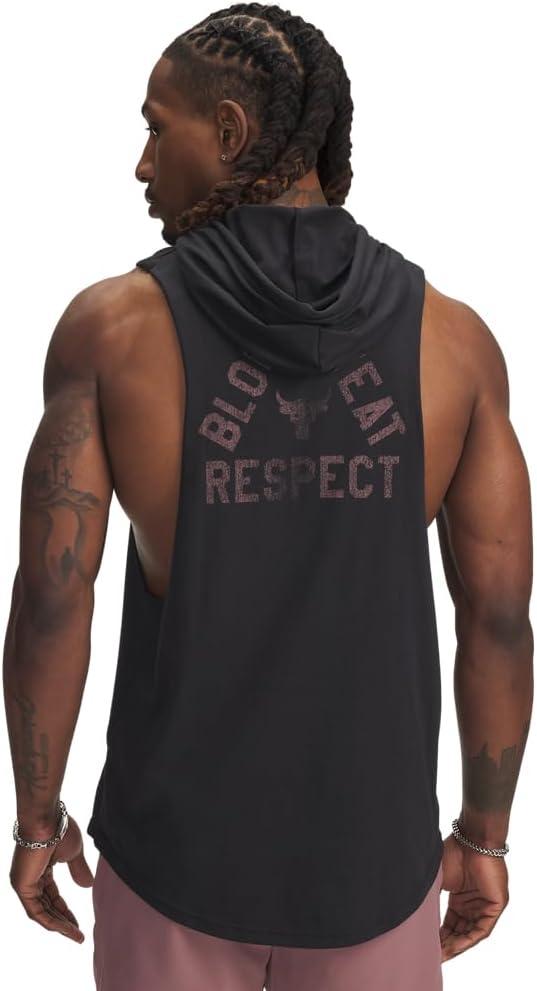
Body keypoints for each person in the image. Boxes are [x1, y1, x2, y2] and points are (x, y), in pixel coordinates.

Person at [4, 4, 532, 990]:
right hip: (374, 876)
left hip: (172, 868)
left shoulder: (112, 333)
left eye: (156, 127)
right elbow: (499, 616)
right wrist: (484, 836)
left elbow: (52, 597)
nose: (141, 162)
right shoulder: (454, 344)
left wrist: (39, 820)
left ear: (229, 132)